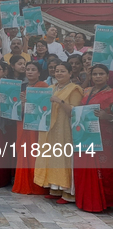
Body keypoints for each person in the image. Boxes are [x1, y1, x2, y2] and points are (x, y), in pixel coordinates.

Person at [34, 62, 83, 204]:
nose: (59, 74)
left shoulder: (74, 89)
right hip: (51, 129)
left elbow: (74, 111)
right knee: (52, 157)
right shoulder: (51, 88)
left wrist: (59, 101)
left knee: (64, 158)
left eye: (62, 71)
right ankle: (55, 189)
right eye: (57, 71)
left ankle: (68, 193)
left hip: (65, 129)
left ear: (70, 73)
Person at [74, 64, 113, 212]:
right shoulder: (87, 91)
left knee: (104, 169)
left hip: (105, 137)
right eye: (95, 74)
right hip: (85, 135)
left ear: (107, 76)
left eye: (101, 74)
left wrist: (107, 116)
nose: (97, 77)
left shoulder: (111, 94)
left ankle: (106, 201)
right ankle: (88, 200)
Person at [11, 61, 50, 194]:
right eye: (28, 69)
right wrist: (21, 103)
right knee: (23, 151)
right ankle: (24, 184)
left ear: (39, 72)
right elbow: (15, 109)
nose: (30, 72)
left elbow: (45, 108)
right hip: (22, 123)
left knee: (35, 151)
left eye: (33, 69)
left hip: (36, 124)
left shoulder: (44, 86)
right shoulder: (21, 86)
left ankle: (36, 185)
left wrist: (30, 101)